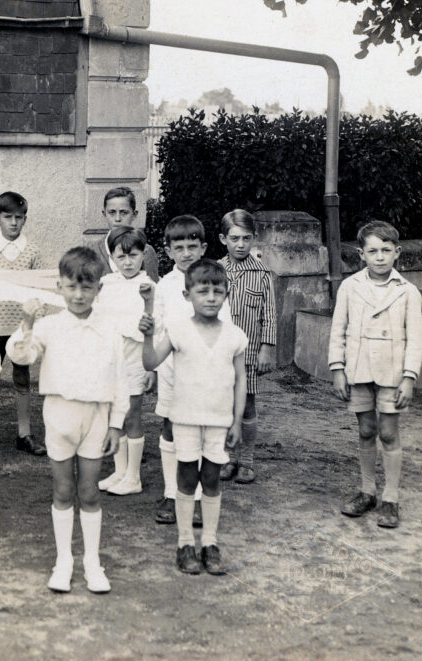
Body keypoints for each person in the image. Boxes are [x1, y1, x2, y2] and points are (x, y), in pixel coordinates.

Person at [8, 247, 133, 593]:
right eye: (71, 287)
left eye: (86, 288)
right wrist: (28, 323)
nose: (78, 296)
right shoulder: (49, 326)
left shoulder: (109, 328)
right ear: (59, 286)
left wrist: (116, 424)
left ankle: (92, 562)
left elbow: (121, 378)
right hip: (60, 415)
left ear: (98, 289)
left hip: (96, 417)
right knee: (63, 490)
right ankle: (64, 560)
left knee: (90, 492)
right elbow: (21, 355)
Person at [140, 259, 247, 575]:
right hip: (184, 419)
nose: (211, 297)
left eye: (218, 291)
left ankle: (210, 542)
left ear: (226, 294)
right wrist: (146, 335)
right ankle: (185, 543)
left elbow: (241, 381)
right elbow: (149, 363)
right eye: (203, 291)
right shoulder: (177, 330)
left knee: (212, 479)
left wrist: (237, 421)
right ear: (188, 295)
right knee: (186, 479)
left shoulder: (235, 336)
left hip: (218, 421)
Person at [329, 220, 422, 529]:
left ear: (397, 253)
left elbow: (416, 338)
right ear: (361, 254)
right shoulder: (351, 286)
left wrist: (409, 377)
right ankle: (367, 491)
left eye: (386, 250)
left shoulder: (408, 292)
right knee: (366, 429)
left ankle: (391, 498)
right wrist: (338, 369)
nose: (380, 257)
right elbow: (338, 330)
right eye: (373, 251)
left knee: (388, 432)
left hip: (392, 373)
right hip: (359, 370)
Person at [151, 215, 232, 526]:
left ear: (203, 247)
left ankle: (196, 496)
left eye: (192, 246)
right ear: (168, 251)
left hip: (207, 372)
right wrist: (154, 367)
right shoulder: (165, 286)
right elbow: (158, 328)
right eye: (179, 247)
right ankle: (172, 493)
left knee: (202, 431)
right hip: (172, 370)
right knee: (171, 428)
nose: (186, 253)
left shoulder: (215, 280)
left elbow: (228, 325)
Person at [0, 191, 46, 457]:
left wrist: (33, 321)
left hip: (20, 326)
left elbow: (39, 289)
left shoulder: (32, 251)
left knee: (22, 375)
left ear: (25, 219)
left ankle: (24, 433)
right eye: (8, 217)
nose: (14, 223)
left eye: (19, 217)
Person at [94, 227, 156, 496]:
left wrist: (152, 367)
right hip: (111, 360)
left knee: (132, 416)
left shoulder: (150, 288)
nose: (128, 262)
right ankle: (120, 471)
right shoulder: (107, 285)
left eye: (134, 255)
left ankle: (133, 477)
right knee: (114, 415)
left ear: (143, 255)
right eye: (122, 257)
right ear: (113, 258)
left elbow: (156, 327)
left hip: (135, 359)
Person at [218, 210, 277, 485]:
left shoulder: (263, 274)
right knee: (223, 405)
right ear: (223, 239)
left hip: (250, 352)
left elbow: (270, 314)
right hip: (220, 351)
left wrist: (267, 348)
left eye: (246, 238)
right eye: (234, 238)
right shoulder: (216, 271)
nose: (240, 244)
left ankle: (247, 460)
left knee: (248, 407)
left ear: (254, 238)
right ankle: (227, 457)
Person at [97, 187, 160, 281]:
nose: (117, 219)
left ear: (134, 215)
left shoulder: (146, 251)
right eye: (112, 212)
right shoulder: (92, 251)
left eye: (124, 212)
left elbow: (153, 289)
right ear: (104, 214)